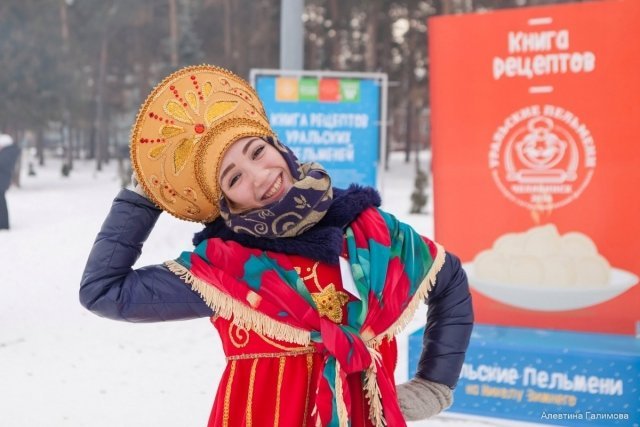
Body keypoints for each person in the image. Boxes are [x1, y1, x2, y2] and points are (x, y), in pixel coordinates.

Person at [80, 65, 473, 427]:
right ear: (225, 203)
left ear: (277, 145)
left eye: (257, 151)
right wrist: (147, 194)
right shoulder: (224, 270)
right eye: (234, 179)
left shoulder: (367, 230)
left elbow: (449, 278)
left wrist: (434, 385)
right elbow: (104, 291)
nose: (261, 176)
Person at [0, 133, 21, 230]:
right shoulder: (8, 153)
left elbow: (2, 164)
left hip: (2, 181)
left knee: (1, 204)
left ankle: (3, 224)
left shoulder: (7, 153)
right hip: (3, 180)